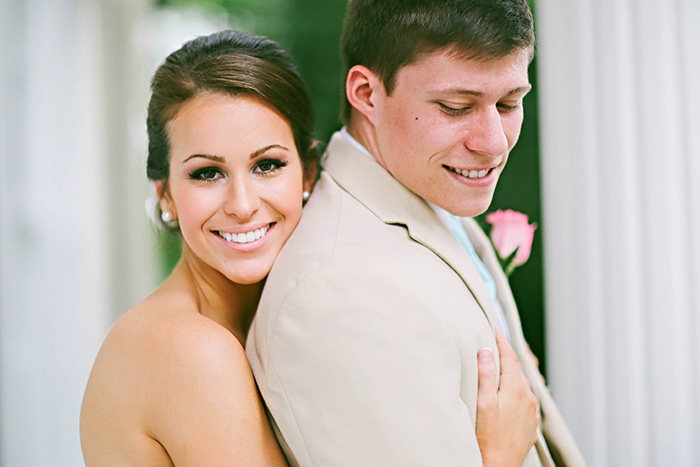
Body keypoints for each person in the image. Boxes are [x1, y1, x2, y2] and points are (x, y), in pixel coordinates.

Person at [80, 29, 539, 466]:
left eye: (267, 165)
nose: (242, 205)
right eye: (207, 173)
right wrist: (498, 456)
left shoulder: (289, 308)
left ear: (307, 171)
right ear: (164, 193)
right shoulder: (189, 350)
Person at [246, 0, 587, 466]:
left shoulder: (428, 189)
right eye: (456, 106)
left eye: (509, 102)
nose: (493, 141)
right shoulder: (337, 293)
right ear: (366, 93)